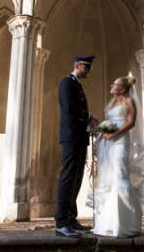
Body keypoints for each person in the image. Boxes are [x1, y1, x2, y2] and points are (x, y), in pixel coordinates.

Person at [55, 56, 99, 238]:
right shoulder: (67, 83)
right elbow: (70, 107)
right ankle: (61, 223)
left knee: (76, 178)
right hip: (71, 137)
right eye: (86, 67)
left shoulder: (77, 85)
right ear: (77, 66)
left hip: (79, 137)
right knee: (68, 177)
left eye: (89, 68)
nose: (88, 71)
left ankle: (71, 219)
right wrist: (88, 115)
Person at [93, 76, 142, 238]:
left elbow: (131, 122)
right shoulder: (111, 104)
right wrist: (103, 132)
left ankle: (126, 223)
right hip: (108, 142)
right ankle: (108, 222)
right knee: (109, 178)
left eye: (116, 85)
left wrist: (115, 134)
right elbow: (108, 122)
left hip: (120, 141)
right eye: (113, 83)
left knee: (121, 176)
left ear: (123, 90)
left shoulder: (129, 101)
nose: (112, 85)